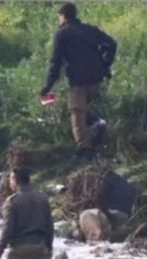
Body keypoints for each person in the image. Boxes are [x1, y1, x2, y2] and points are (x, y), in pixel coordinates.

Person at [40, 2, 117, 160]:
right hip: (96, 78)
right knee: (82, 108)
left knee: (76, 111)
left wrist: (48, 86)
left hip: (78, 81)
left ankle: (85, 149)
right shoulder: (90, 29)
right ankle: (98, 124)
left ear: (63, 16)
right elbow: (112, 44)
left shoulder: (61, 34)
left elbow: (56, 62)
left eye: (59, 17)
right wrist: (105, 64)